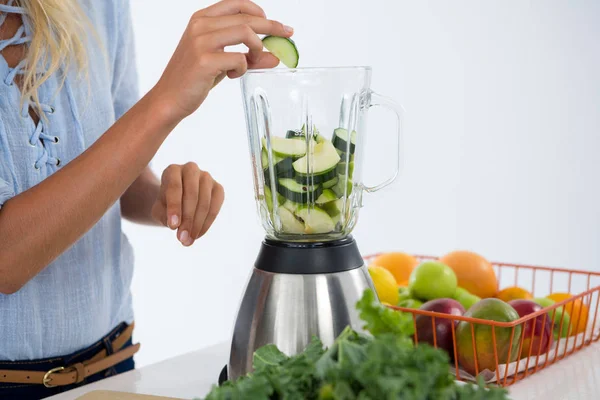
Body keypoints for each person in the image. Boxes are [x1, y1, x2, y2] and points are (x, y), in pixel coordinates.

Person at [0, 0, 293, 397]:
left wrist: (160, 198)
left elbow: (115, 166)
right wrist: (165, 101)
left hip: (115, 366)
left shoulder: (100, 5)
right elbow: (7, 258)